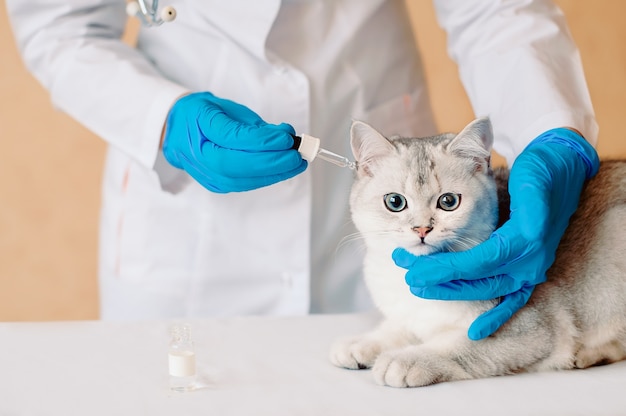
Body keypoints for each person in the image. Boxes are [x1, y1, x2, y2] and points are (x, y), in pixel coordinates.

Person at [6, 0, 599, 339]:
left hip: (372, 110)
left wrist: (549, 131)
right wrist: (162, 119)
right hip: (185, 225)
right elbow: (61, 27)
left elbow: (493, 8)